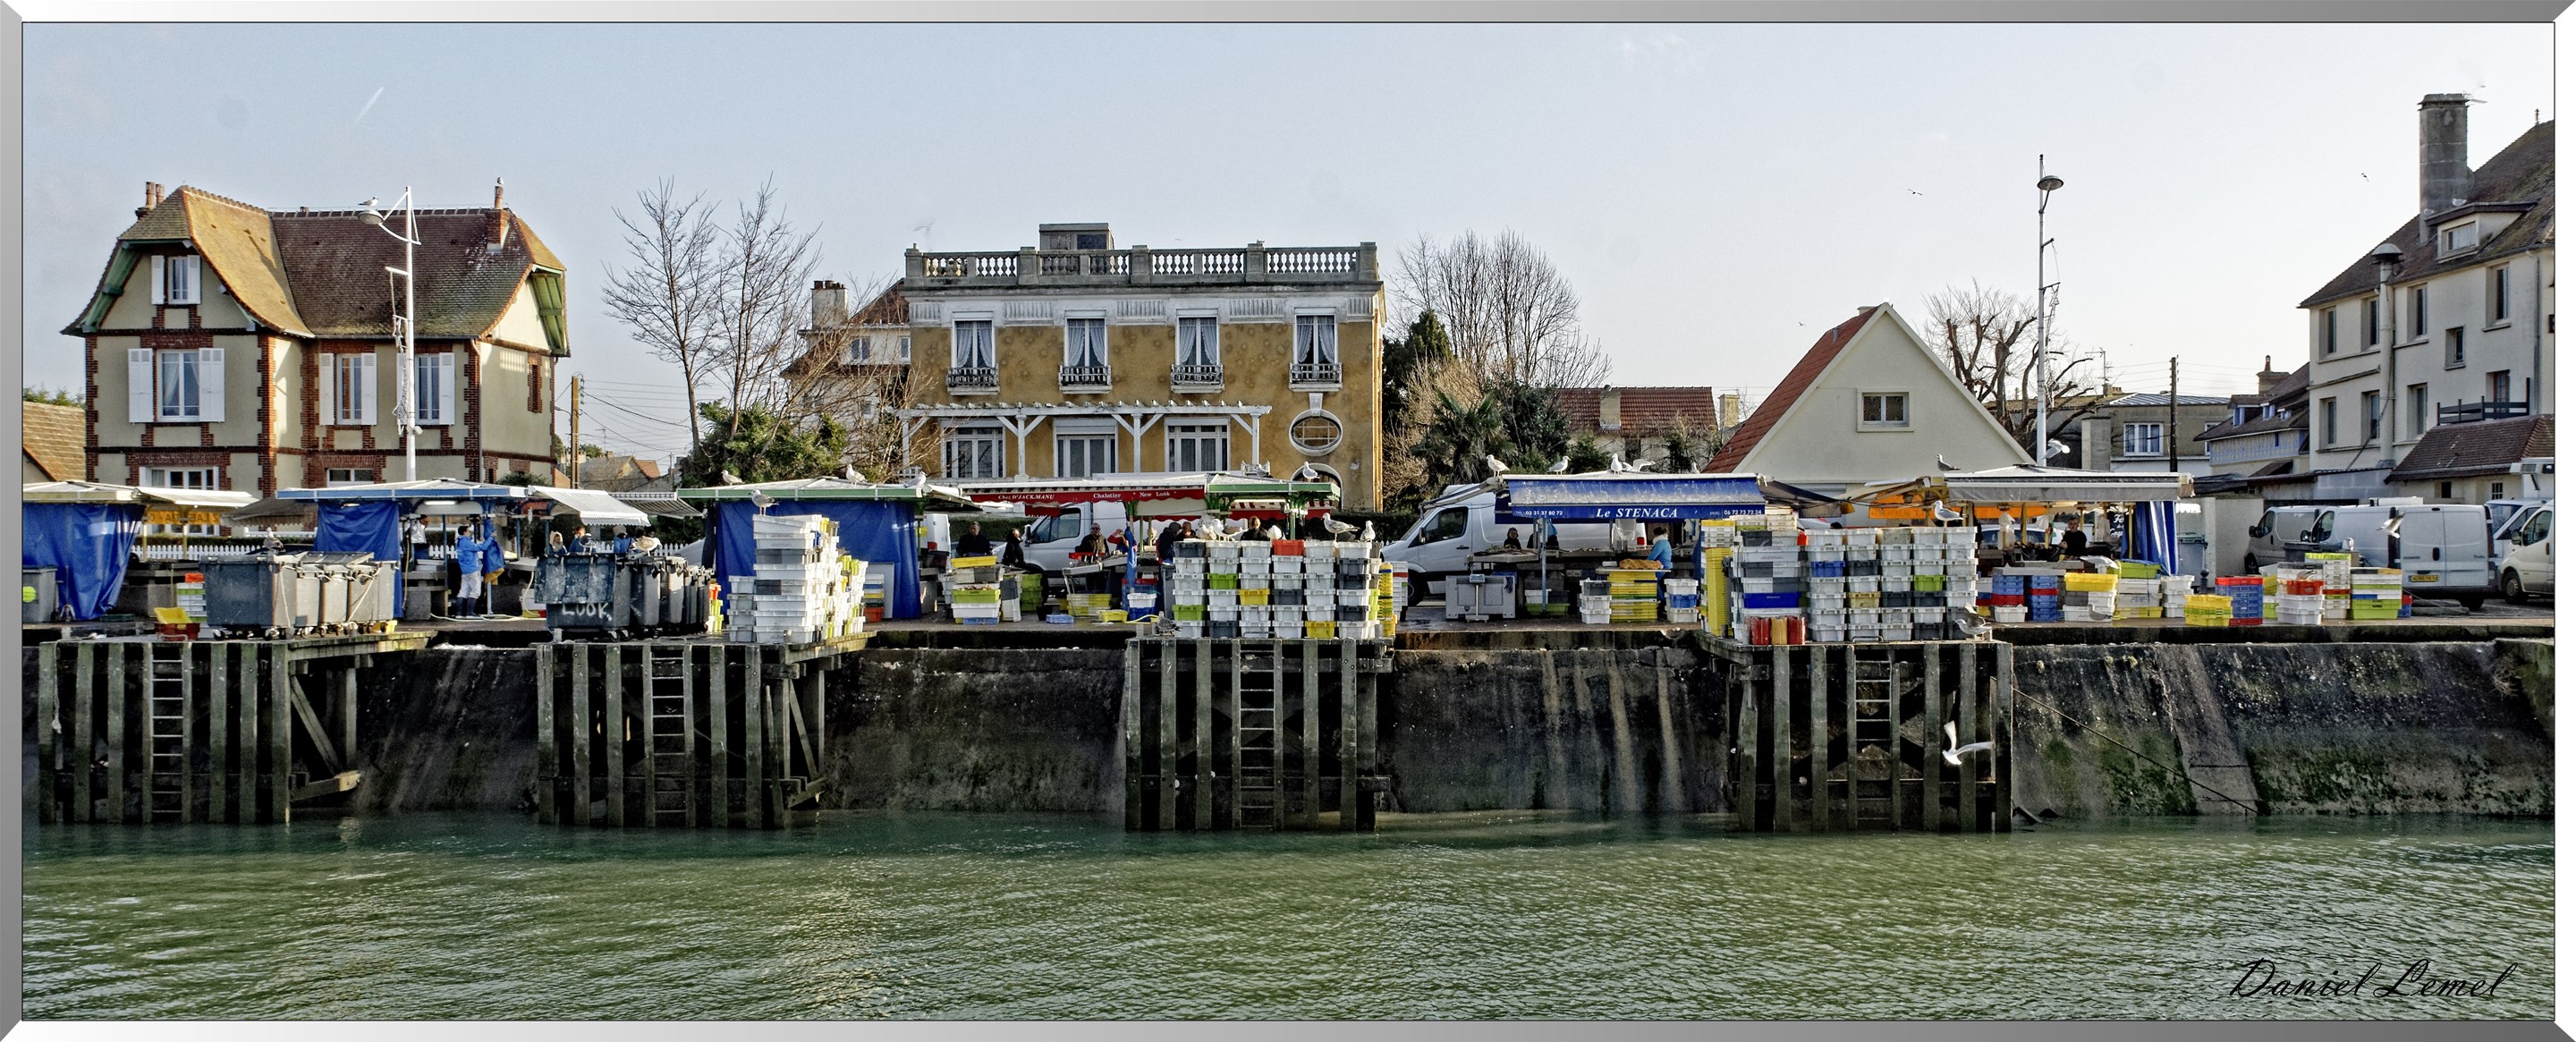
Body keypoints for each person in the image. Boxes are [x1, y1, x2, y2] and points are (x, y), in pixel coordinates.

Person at [452, 522, 488, 618]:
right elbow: (482, 547)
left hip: (464, 570)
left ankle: (459, 613)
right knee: (476, 591)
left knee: (463, 591)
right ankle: (470, 613)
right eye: (468, 531)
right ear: (464, 532)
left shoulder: (458, 543)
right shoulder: (466, 542)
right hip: (472, 569)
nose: (469, 533)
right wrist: (490, 539)